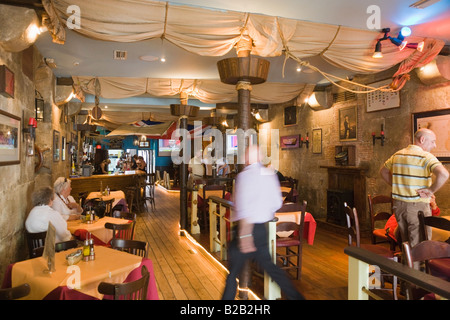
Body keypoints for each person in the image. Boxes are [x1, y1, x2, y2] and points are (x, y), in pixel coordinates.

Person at [221, 145, 304, 300]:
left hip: (246, 231)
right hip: (262, 230)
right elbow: (277, 204)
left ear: (248, 158)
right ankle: (297, 298)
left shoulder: (244, 176)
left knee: (232, 274)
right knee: (273, 269)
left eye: (246, 155)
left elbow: (244, 207)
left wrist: (245, 235)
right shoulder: (269, 174)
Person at [380, 128, 449, 248]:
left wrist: (397, 184)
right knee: (419, 246)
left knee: (406, 244)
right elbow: (444, 174)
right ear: (422, 139)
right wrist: (431, 190)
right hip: (417, 207)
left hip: (399, 206)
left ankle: (407, 265)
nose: (434, 145)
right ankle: (415, 267)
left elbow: (383, 172)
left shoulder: (398, 155)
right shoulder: (426, 156)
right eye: (433, 141)